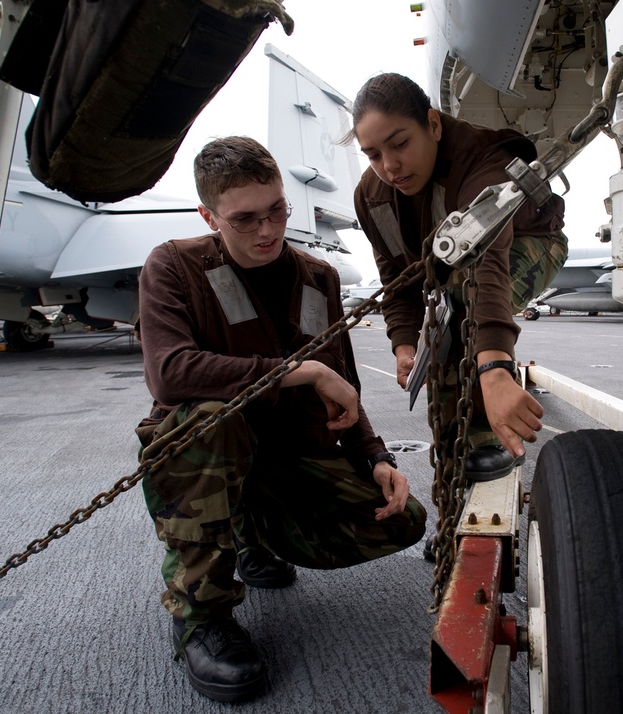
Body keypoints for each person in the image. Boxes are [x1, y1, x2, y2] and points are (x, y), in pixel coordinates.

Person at [135, 136, 426, 703]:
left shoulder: (318, 277)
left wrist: (376, 457)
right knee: (214, 420)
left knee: (401, 521)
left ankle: (251, 532)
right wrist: (301, 371)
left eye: (277, 211)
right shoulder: (174, 266)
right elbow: (170, 372)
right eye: (245, 219)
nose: (267, 231)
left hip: (283, 456)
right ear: (209, 215)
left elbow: (345, 385)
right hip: (205, 453)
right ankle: (201, 615)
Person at [349, 73, 568, 495]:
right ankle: (454, 473)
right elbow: (396, 273)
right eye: (373, 153)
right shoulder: (372, 195)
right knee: (441, 327)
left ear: (433, 124)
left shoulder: (481, 157)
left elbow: (487, 258)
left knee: (458, 309)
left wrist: (496, 369)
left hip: (528, 243)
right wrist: (403, 342)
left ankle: (485, 429)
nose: (389, 165)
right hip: (454, 274)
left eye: (400, 144)